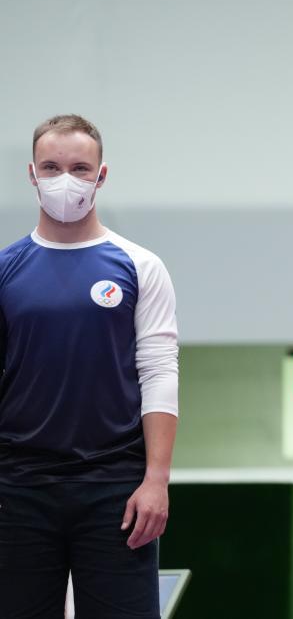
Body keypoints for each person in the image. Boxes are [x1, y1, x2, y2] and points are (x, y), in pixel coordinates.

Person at [0, 114, 180, 618]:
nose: (65, 179)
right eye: (51, 166)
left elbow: (160, 372)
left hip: (116, 492)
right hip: (18, 490)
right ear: (32, 175)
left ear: (101, 176)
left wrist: (157, 480)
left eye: (80, 168)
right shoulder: (6, 270)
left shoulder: (140, 266)